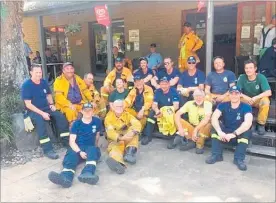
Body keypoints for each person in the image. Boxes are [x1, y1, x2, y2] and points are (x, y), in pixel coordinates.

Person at [21, 64, 69, 159]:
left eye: (40, 72)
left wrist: (51, 104)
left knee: (60, 117)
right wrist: (42, 113)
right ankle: (48, 149)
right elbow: (28, 104)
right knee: (40, 122)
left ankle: (65, 141)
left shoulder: (43, 82)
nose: (39, 74)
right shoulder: (26, 85)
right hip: (33, 111)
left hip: (46, 108)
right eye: (36, 72)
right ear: (31, 73)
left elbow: (48, 94)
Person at [48, 102, 101, 188]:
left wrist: (95, 149)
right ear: (82, 111)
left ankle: (87, 174)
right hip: (78, 146)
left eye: (90, 110)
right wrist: (79, 152)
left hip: (89, 147)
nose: (87, 112)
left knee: (93, 150)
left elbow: (97, 135)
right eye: (85, 110)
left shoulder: (97, 121)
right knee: (71, 156)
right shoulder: (76, 124)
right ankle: (65, 178)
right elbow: (72, 141)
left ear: (93, 111)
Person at [206, 85, 253, 171]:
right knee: (214, 126)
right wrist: (220, 132)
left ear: (240, 95)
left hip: (237, 135)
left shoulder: (246, 106)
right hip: (224, 135)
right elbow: (214, 117)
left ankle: (239, 159)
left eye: (236, 93)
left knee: (247, 130)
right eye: (232, 93)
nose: (234, 95)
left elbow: (248, 122)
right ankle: (216, 155)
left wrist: (233, 134)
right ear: (229, 95)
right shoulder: (223, 105)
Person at [169, 89, 212, 154]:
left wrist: (196, 130)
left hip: (203, 127)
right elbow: (177, 114)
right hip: (192, 126)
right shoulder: (189, 103)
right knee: (177, 118)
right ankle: (192, 140)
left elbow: (207, 119)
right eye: (196, 96)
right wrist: (180, 128)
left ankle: (199, 145)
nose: (198, 98)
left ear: (203, 97)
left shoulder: (208, 104)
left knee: (208, 125)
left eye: (200, 96)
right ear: (193, 97)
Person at [105, 100, 142, 174]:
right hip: (116, 140)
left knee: (134, 133)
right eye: (117, 106)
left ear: (123, 106)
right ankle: (119, 164)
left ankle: (130, 154)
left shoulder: (128, 115)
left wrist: (133, 132)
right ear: (113, 107)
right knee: (115, 149)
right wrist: (121, 138)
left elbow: (136, 123)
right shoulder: (108, 118)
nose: (119, 108)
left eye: (121, 106)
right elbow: (110, 132)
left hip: (127, 137)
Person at [141, 76, 180, 145]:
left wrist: (165, 112)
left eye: (165, 84)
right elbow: (154, 104)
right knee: (152, 113)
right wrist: (157, 111)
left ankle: (172, 135)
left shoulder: (174, 91)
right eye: (162, 84)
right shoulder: (158, 91)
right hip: (160, 111)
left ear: (169, 84)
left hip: (170, 111)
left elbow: (176, 106)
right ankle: (148, 136)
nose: (163, 86)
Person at [237, 59, 272, 135]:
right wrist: (247, 98)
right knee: (235, 98)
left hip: (257, 100)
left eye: (250, 68)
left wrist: (255, 98)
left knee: (266, 101)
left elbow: (268, 92)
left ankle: (261, 124)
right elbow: (237, 91)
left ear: (255, 69)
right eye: (246, 68)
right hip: (246, 100)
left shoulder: (261, 77)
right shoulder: (242, 77)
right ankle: (244, 123)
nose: (248, 70)